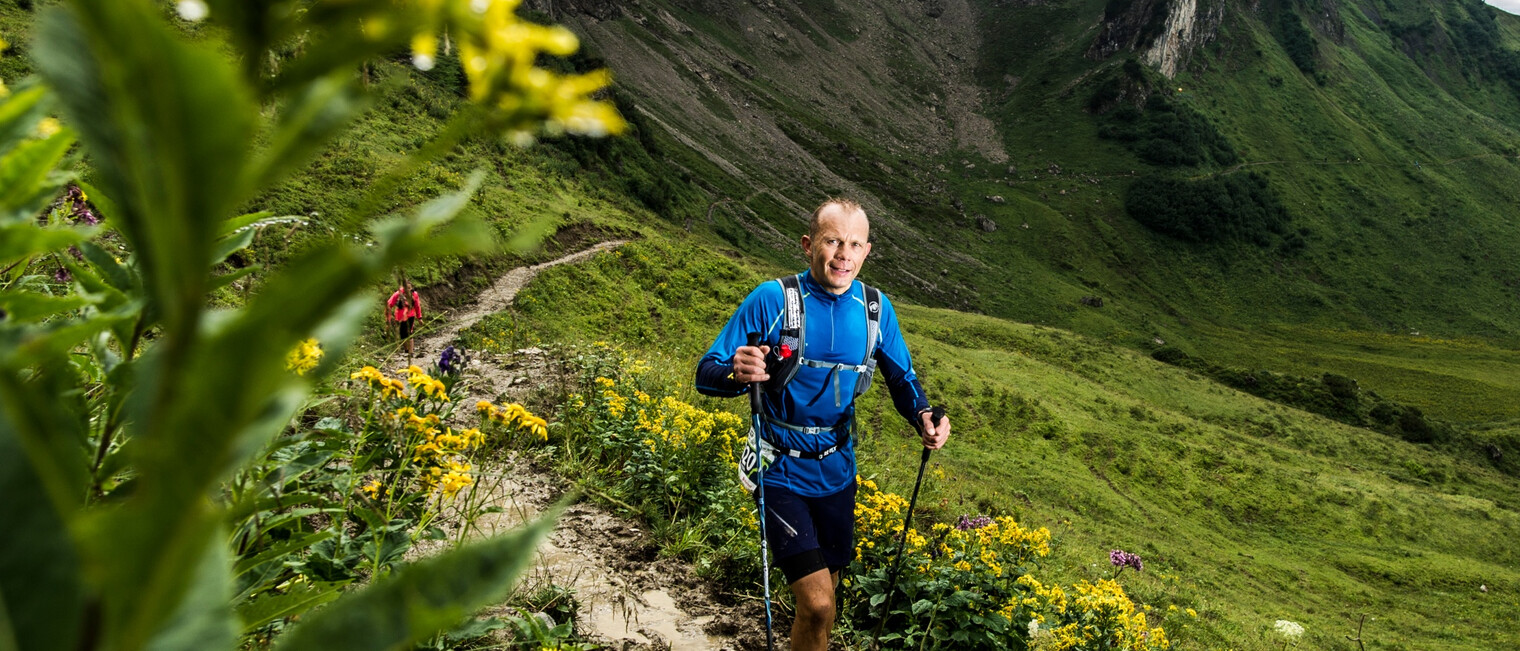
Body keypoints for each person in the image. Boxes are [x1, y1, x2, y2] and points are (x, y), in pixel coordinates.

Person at [695, 198, 951, 650]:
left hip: (837, 470)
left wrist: (924, 418)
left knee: (824, 601)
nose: (842, 254)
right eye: (832, 241)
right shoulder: (773, 299)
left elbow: (901, 377)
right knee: (817, 604)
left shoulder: (875, 309)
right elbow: (706, 372)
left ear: (867, 251)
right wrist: (738, 373)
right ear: (808, 245)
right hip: (777, 467)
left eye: (854, 244)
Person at [388, 279, 423, 357]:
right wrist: (389, 318)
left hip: (410, 316)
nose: (408, 290)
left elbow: (417, 306)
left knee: (409, 333)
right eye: (406, 288)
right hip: (399, 317)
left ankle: (411, 352)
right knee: (402, 334)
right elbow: (389, 304)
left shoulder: (414, 295)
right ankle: (406, 350)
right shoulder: (397, 294)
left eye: (409, 288)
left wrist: (419, 317)